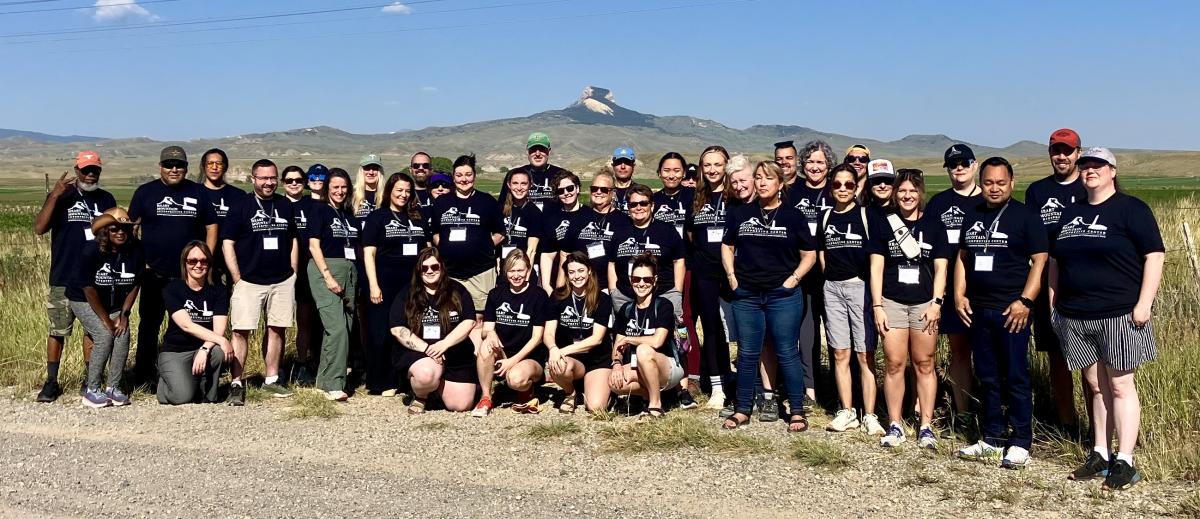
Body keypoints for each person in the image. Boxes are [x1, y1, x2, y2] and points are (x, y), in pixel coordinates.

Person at [1050, 147, 1164, 491]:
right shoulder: (1071, 213)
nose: (1089, 170)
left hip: (1119, 313)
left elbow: (1154, 256)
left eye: (1097, 165)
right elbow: (1056, 262)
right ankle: (1100, 453)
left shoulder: (1131, 209)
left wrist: (1144, 303)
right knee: (1096, 386)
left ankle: (1125, 460)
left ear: (1112, 171)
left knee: (1119, 385)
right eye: (1085, 165)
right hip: (1076, 315)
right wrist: (1053, 306)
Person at [954, 157, 1048, 468]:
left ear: (1012, 183)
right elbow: (963, 258)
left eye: (1000, 182)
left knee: (1016, 377)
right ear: (981, 183)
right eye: (989, 182)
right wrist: (958, 295)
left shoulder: (1026, 217)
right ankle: (992, 437)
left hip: (1012, 311)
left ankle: (1021, 440)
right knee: (988, 376)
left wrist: (1026, 300)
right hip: (979, 309)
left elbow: (1040, 261)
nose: (994, 188)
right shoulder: (972, 213)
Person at [720, 160, 816, 432]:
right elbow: (727, 246)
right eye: (758, 178)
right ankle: (742, 409)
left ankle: (796, 410)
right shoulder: (741, 213)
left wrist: (793, 279)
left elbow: (809, 254)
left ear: (780, 184)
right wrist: (731, 276)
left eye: (768, 179)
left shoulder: (793, 216)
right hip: (747, 294)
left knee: (786, 351)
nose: (761, 183)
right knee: (748, 352)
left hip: (782, 295)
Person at [867, 170, 951, 449]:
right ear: (894, 193)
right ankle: (895, 423)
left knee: (925, 363)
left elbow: (941, 267)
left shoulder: (934, 224)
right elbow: (876, 267)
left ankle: (925, 425)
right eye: (901, 190)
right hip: (891, 301)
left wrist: (937, 303)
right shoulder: (883, 223)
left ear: (920, 193)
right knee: (894, 363)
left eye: (912, 191)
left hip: (925, 304)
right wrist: (877, 305)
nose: (907, 195)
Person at [128, 146, 218, 387]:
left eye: (179, 165)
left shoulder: (198, 192)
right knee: (150, 323)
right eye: (168, 165)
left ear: (187, 168)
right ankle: (144, 374)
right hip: (154, 273)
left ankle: (193, 372)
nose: (174, 169)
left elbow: (211, 227)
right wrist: (139, 258)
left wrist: (206, 260)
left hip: (188, 276)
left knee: (192, 324)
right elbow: (131, 227)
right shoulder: (145, 192)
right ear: (160, 167)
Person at [32, 150, 116, 402]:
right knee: (58, 329)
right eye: (86, 169)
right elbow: (39, 228)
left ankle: (89, 379)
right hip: (63, 275)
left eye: (95, 170)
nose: (90, 174)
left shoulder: (106, 198)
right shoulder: (62, 196)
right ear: (77, 170)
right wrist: (55, 195)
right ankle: (51, 382)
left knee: (93, 331)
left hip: (95, 277)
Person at [1024, 128, 1088, 433]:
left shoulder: (1090, 184)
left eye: (1067, 151)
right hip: (1048, 283)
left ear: (1078, 153)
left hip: (1085, 284)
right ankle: (1067, 424)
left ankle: (1098, 427)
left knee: (1093, 363)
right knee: (1058, 358)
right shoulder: (1037, 192)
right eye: (1056, 151)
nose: (1061, 157)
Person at [221, 159, 298, 404]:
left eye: (272, 178)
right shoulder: (241, 206)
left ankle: (272, 379)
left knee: (277, 328)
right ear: (253, 179)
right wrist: (236, 277)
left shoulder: (284, 204)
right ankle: (237, 382)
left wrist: (293, 271)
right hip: (250, 280)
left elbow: (294, 239)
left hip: (281, 280)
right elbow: (227, 243)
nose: (268, 183)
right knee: (242, 330)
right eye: (263, 178)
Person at [819, 164, 883, 435]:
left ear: (857, 187)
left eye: (848, 184)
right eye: (837, 184)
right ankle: (846, 410)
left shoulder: (867, 216)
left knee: (864, 353)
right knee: (839, 352)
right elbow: (822, 253)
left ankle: (869, 413)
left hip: (860, 288)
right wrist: (830, 279)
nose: (843, 189)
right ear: (830, 187)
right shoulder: (825, 217)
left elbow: (876, 257)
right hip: (832, 287)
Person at [925, 143, 984, 431]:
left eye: (964, 163)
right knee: (959, 351)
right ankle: (962, 412)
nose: (958, 168)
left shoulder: (988, 198)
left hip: (984, 289)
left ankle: (991, 410)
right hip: (947, 290)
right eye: (953, 164)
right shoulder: (938, 203)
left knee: (987, 352)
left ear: (975, 166)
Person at [362, 172, 429, 396]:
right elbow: (368, 253)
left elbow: (427, 250)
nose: (403, 194)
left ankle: (405, 379)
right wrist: (373, 285)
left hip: (411, 285)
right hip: (384, 283)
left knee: (409, 330)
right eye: (399, 190)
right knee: (381, 331)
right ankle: (382, 381)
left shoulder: (417, 217)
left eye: (407, 191)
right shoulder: (377, 217)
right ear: (389, 191)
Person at [390, 248, 478, 413]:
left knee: (461, 406)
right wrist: (428, 349)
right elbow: (397, 328)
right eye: (424, 268)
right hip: (420, 352)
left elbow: (469, 321)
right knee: (425, 375)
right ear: (418, 270)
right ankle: (422, 395)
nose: (429, 271)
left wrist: (444, 344)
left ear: (442, 267)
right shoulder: (407, 293)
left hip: (454, 352)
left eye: (434, 267)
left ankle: (438, 389)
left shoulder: (457, 290)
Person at [73, 208, 142, 407]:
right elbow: (88, 289)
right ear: (105, 232)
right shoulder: (91, 251)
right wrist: (106, 320)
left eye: (125, 229)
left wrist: (124, 314)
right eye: (114, 229)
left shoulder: (136, 250)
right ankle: (92, 389)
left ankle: (113, 387)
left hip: (114, 302)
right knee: (104, 335)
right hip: (83, 298)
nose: (120, 233)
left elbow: (135, 284)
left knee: (123, 333)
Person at [431, 155, 505, 334]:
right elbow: (435, 233)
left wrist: (484, 245)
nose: (464, 179)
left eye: (468, 174)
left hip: (480, 272)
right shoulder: (442, 202)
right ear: (453, 178)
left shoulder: (487, 201)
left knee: (479, 319)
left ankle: (478, 359)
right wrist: (446, 246)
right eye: (459, 175)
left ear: (474, 176)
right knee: (451, 316)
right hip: (451, 272)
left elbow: (500, 233)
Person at [472, 250, 549, 417]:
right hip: (503, 352)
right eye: (511, 271)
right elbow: (486, 328)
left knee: (516, 379)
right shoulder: (496, 294)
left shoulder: (538, 295)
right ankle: (485, 397)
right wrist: (490, 334)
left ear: (528, 270)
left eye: (520, 270)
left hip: (529, 356)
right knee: (485, 346)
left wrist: (512, 361)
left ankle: (526, 390)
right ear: (505, 272)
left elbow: (537, 338)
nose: (516, 275)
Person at [305, 168, 360, 401]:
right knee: (336, 327)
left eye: (344, 187)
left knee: (343, 328)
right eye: (335, 187)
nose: (339, 191)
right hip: (325, 269)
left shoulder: (348, 213)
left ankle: (324, 380)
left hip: (349, 269)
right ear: (327, 188)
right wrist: (327, 275)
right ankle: (335, 384)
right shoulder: (318, 210)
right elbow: (313, 246)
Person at [686, 146, 734, 409]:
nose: (713, 170)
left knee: (737, 330)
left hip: (732, 274)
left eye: (718, 164)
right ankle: (717, 387)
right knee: (712, 329)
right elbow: (692, 235)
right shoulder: (697, 198)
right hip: (705, 272)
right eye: (708, 165)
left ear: (726, 165)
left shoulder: (735, 198)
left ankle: (742, 381)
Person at [790, 140, 836, 410]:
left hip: (831, 274)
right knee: (806, 333)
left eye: (820, 162)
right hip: (803, 274)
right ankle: (810, 387)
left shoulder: (837, 190)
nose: (815, 167)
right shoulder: (793, 192)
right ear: (803, 165)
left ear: (828, 165)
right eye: (810, 162)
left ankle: (837, 386)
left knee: (835, 332)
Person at [609, 255, 686, 417]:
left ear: (655, 280)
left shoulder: (664, 305)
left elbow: (657, 342)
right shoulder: (626, 310)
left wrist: (629, 339)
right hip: (640, 366)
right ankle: (648, 395)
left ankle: (656, 405)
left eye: (647, 279)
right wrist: (616, 364)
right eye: (637, 279)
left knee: (644, 349)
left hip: (668, 365)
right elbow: (618, 344)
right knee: (614, 382)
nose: (641, 284)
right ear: (631, 280)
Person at [157, 241, 233, 405]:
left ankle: (208, 394)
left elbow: (218, 329)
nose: (198, 265)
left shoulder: (218, 290)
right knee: (182, 397)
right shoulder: (173, 289)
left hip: (202, 348)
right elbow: (186, 325)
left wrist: (205, 349)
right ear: (185, 263)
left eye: (203, 261)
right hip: (175, 352)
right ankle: (165, 385)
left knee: (218, 352)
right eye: (193, 261)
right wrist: (222, 340)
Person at [545, 252, 615, 413]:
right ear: (567, 275)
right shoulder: (557, 297)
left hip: (597, 359)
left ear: (589, 271)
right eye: (572, 272)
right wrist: (553, 349)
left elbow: (596, 339)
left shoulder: (602, 299)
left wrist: (561, 350)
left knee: (596, 407)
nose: (577, 276)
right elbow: (548, 333)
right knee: (558, 364)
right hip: (572, 360)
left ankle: (599, 388)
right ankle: (570, 393)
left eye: (581, 270)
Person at [606, 185, 685, 327]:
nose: (638, 207)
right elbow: (612, 264)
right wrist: (613, 291)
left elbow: (678, 260)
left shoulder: (667, 230)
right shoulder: (619, 232)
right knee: (628, 338)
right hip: (626, 296)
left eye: (643, 203)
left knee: (670, 341)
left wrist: (677, 291)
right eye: (633, 204)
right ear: (628, 207)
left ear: (652, 205)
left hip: (663, 293)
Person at [283, 165, 319, 383]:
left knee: (306, 320)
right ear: (282, 183)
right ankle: (278, 366)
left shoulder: (315, 206)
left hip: (310, 269)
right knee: (277, 323)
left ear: (305, 182)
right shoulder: (277, 205)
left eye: (298, 180)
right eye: (289, 180)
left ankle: (305, 361)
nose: (294, 183)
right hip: (282, 271)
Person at [199, 148, 247, 286]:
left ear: (225, 167)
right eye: (210, 163)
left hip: (232, 256)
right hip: (202, 257)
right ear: (203, 166)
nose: (214, 167)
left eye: (219, 164)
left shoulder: (238, 195)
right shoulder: (194, 192)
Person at [538, 170, 584, 294]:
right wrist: (546, 285)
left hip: (584, 278)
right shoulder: (552, 218)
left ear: (577, 189)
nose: (566, 193)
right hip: (558, 279)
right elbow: (547, 254)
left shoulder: (589, 214)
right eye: (560, 191)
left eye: (570, 188)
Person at [498, 132, 566, 212]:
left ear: (549, 151)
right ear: (527, 151)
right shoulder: (515, 175)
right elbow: (502, 205)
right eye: (533, 149)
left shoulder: (561, 175)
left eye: (542, 149)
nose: (537, 154)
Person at [499, 169, 543, 285]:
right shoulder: (501, 209)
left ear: (530, 185)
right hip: (504, 270)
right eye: (515, 183)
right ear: (509, 184)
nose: (519, 188)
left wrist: (526, 278)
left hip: (522, 273)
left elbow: (531, 250)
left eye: (523, 183)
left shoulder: (534, 212)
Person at [652, 152, 694, 239]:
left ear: (684, 173)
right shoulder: (653, 200)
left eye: (677, 171)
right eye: (666, 171)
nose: (671, 176)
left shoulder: (694, 196)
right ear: (659, 173)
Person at [353, 154, 384, 224]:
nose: (371, 172)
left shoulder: (387, 196)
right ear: (361, 171)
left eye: (375, 168)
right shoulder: (352, 195)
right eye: (367, 168)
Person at [611, 146, 637, 213]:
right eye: (619, 162)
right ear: (613, 166)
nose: (623, 167)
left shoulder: (640, 191)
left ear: (633, 166)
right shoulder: (605, 191)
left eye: (627, 162)